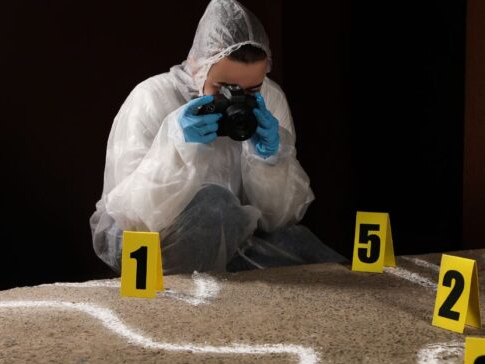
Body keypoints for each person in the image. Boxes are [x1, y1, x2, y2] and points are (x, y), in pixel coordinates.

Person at [89, 0, 346, 275]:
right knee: (215, 206)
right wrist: (176, 148)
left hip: (236, 233)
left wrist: (271, 161)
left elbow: (279, 220)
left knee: (304, 249)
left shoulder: (270, 99)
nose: (237, 100)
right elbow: (131, 217)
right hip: (150, 240)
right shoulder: (152, 97)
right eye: (224, 88)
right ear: (196, 65)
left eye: (252, 90)